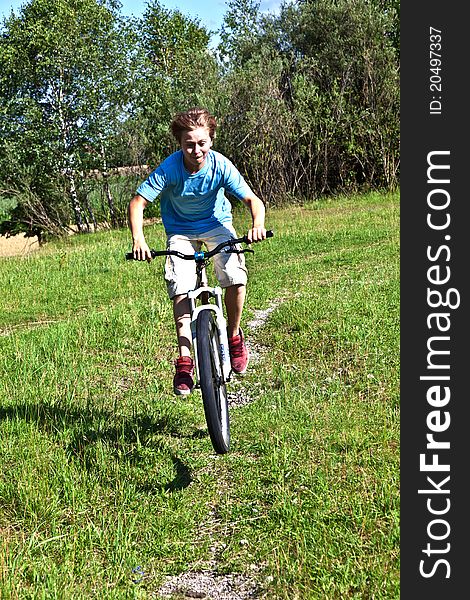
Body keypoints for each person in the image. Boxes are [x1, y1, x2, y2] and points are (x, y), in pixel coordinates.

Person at [128, 107, 267, 395]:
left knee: (234, 275)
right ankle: (185, 359)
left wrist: (257, 225)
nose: (196, 150)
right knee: (180, 285)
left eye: (201, 143)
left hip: (217, 224)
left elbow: (252, 200)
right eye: (189, 144)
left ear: (211, 141)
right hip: (180, 231)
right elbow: (138, 203)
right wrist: (138, 240)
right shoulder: (170, 169)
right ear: (180, 144)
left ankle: (233, 336)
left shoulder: (221, 166)